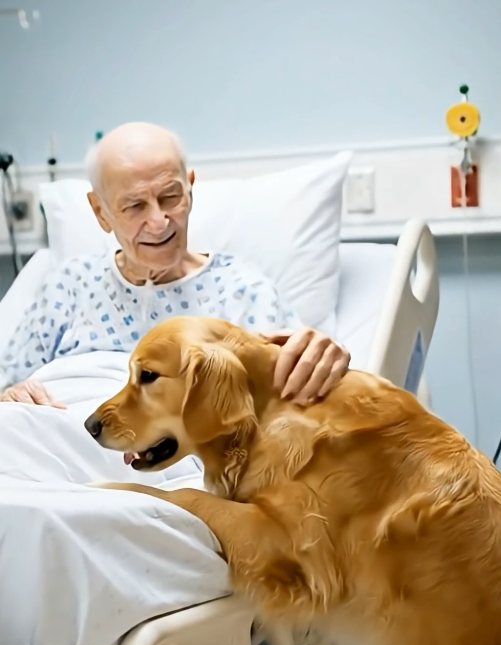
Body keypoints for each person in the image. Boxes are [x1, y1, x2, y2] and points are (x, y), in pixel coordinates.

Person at [0, 122, 350, 434]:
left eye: (170, 197)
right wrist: (11, 397)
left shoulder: (242, 293)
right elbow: (10, 387)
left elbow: (292, 409)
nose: (159, 221)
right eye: (135, 206)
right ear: (100, 212)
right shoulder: (70, 286)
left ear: (190, 189)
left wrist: (322, 363)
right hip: (55, 446)